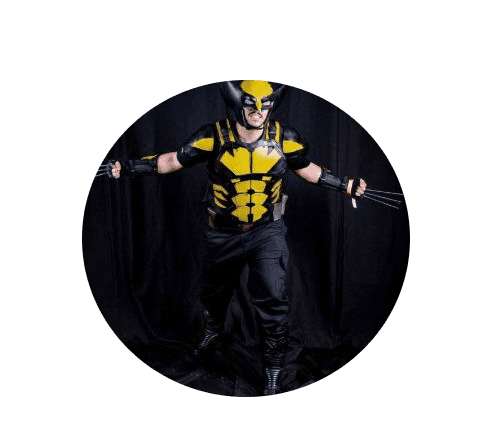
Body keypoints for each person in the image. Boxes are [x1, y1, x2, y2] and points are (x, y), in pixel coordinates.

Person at [95, 80, 400, 396]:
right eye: (250, 103)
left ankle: (273, 370)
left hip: (266, 231)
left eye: (265, 104)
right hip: (221, 233)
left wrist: (345, 185)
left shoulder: (286, 139)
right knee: (214, 295)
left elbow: (308, 169)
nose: (258, 110)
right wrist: (127, 168)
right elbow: (172, 160)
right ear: (236, 103)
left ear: (272, 105)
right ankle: (213, 333)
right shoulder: (212, 136)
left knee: (273, 297)